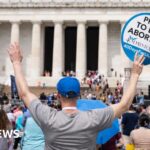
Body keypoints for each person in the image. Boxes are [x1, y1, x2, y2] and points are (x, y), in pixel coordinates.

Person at [8, 42, 144, 150]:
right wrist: (135, 74)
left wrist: (16, 62)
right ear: (79, 95)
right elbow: (125, 105)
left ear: (58, 96)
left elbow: (24, 93)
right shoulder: (93, 118)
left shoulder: (48, 117)